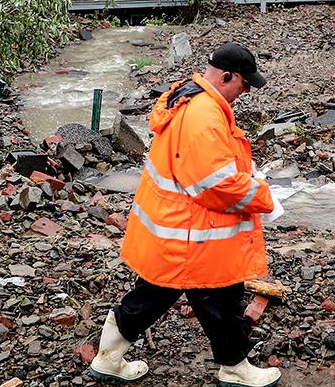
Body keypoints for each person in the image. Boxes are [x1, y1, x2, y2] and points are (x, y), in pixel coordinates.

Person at [90, 42, 282, 387]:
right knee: (220, 296)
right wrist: (264, 197)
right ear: (226, 76)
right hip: (194, 234)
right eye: (245, 84)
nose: (247, 91)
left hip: (174, 230)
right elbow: (217, 185)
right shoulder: (204, 115)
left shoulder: (188, 97)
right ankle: (235, 368)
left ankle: (108, 357)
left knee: (152, 296)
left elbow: (199, 168)